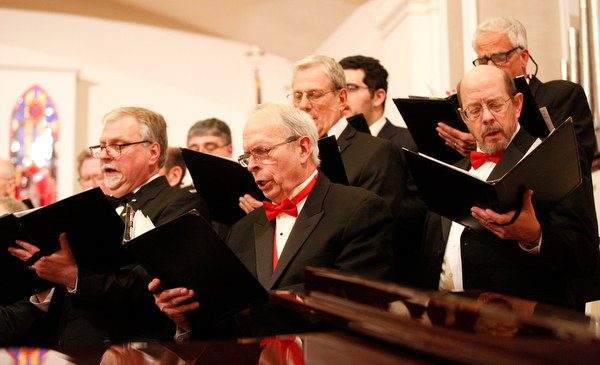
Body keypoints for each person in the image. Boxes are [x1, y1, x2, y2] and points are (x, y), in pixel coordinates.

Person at [151, 103, 394, 338]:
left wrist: (256, 309)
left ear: (303, 148)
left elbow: (353, 304)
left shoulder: (358, 209)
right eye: (248, 156)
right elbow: (229, 327)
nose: (252, 166)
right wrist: (186, 321)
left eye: (263, 152)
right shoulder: (241, 229)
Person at [8, 106, 211, 347]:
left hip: (135, 350)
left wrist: (74, 276)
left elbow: (153, 281)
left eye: (118, 145)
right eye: (102, 146)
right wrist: (46, 282)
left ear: (153, 152)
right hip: (70, 347)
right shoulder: (90, 207)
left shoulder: (180, 204)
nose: (105, 155)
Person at [417, 65, 599, 310]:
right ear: (464, 118)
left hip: (523, 331)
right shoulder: (450, 171)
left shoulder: (554, 157)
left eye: (495, 104)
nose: (487, 117)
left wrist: (535, 236)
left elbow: (585, 257)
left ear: (517, 104)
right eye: (475, 109)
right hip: (448, 327)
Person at [239, 55, 404, 228]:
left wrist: (283, 218)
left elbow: (375, 225)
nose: (303, 105)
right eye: (297, 96)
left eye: (314, 95)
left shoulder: (376, 151)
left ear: (341, 99)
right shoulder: (286, 151)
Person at [438, 17, 596, 171]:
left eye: (500, 58)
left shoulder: (561, 95)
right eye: (484, 61)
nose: (491, 67)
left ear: (523, 57)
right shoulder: (477, 112)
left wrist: (488, 144)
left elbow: (571, 164)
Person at [340, 55, 423, 285]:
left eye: (351, 88)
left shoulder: (408, 140)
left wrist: (361, 216)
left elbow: (420, 207)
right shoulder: (336, 145)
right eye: (339, 89)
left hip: (396, 268)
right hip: (346, 266)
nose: (343, 97)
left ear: (378, 96)